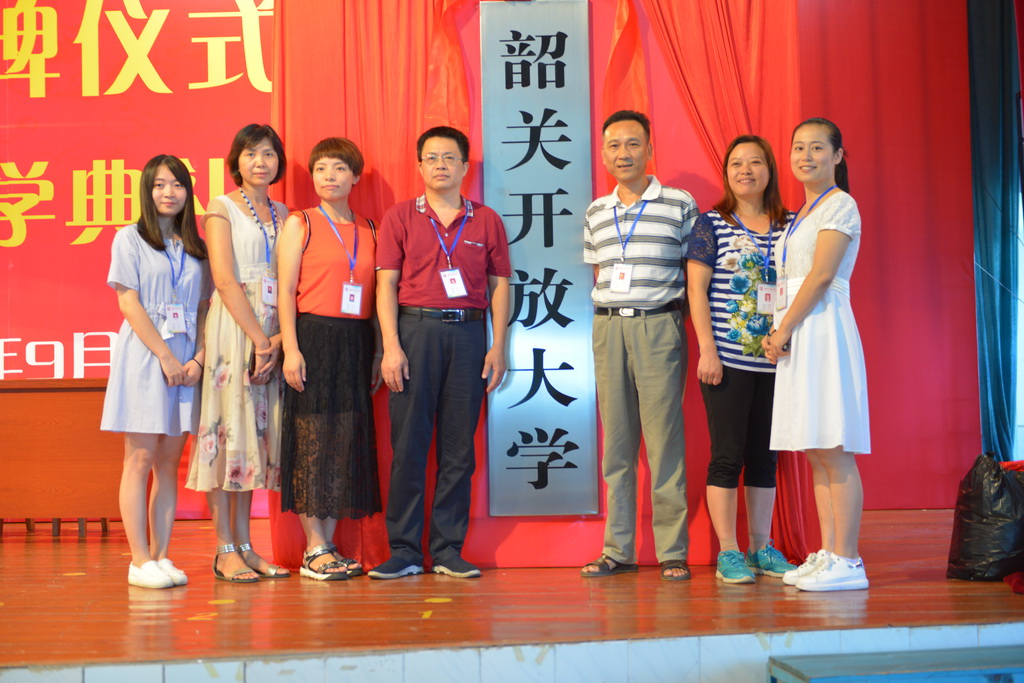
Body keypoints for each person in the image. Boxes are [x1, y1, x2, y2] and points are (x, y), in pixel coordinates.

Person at [369, 126, 511, 580]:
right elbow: (385, 285)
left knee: (459, 450)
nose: (440, 165)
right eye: (431, 158)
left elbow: (500, 285)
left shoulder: (486, 220)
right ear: (419, 166)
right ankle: (405, 551)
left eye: (449, 157)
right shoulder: (399, 217)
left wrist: (498, 346)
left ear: (465, 166)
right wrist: (391, 346)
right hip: (415, 332)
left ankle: (448, 549)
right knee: (408, 446)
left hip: (469, 336)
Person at [581, 110, 696, 581]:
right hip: (609, 328)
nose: (623, 153)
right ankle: (618, 550)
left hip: (659, 326)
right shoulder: (596, 211)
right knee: (617, 445)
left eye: (632, 144)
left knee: (665, 442)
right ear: (603, 154)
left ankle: (672, 550)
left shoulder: (679, 204)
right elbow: (600, 272)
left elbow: (695, 274)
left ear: (649, 149)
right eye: (614, 145)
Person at [762, 117, 870, 592]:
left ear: (838, 156)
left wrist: (784, 327)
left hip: (822, 327)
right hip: (798, 328)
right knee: (815, 449)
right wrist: (778, 327)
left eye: (817, 148)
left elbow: (822, 275)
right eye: (798, 148)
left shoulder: (840, 205)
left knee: (834, 447)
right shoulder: (801, 213)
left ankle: (849, 559)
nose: (806, 156)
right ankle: (829, 552)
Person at [687, 135, 797, 584]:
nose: (745, 170)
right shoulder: (710, 224)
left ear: (770, 170)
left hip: (779, 362)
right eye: (736, 163)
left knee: (766, 459)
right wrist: (707, 351)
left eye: (755, 162)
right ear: (727, 172)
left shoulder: (791, 226)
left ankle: (760, 548)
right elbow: (696, 291)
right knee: (727, 458)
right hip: (727, 362)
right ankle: (728, 552)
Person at [186, 123, 291, 583]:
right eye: (250, 154)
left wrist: (279, 340)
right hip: (235, 326)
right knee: (226, 430)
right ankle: (224, 547)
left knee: (253, 438)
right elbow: (225, 279)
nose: (260, 162)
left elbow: (290, 280)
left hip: (272, 327)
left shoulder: (284, 212)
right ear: (236, 162)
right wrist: (259, 340)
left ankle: (246, 546)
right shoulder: (221, 207)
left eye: (268, 154)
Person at [101, 155, 210, 589]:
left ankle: (162, 557)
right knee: (140, 458)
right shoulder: (128, 238)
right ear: (147, 191)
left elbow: (204, 309)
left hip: (186, 361)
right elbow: (128, 302)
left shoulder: (196, 246)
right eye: (160, 185)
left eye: (178, 184)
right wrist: (165, 357)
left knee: (168, 463)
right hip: (148, 356)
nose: (169, 192)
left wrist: (198, 358)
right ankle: (139, 560)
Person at [278, 137, 383, 581]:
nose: (329, 177)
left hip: (356, 341)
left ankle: (330, 545)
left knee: (343, 442)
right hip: (313, 338)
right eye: (320, 169)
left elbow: (377, 297)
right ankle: (313, 547)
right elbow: (285, 291)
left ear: (355, 177)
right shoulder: (300, 222)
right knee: (312, 440)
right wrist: (291, 349)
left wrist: (379, 350)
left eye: (339, 168)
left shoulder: (371, 229)